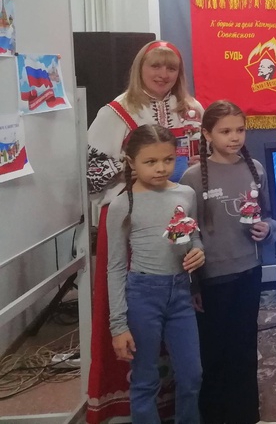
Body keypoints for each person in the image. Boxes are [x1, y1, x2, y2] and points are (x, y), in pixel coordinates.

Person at [86, 40, 203, 424]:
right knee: (141, 343)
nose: (163, 74)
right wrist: (141, 185)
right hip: (132, 222)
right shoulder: (115, 112)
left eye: (171, 68)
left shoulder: (193, 109)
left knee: (188, 349)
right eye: (156, 65)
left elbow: (200, 165)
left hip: (180, 216)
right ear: (140, 67)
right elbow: (94, 177)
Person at [180, 101, 276, 424]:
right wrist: (193, 284)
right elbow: (188, 234)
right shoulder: (193, 178)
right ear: (207, 134)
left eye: (240, 130)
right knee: (213, 353)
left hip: (249, 274)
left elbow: (270, 216)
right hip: (212, 280)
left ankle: (246, 415)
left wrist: (268, 229)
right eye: (225, 131)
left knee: (244, 347)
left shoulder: (255, 169)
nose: (234, 137)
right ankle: (213, 416)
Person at [106, 125, 205, 424]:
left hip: (180, 293)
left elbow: (192, 236)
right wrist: (118, 325)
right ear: (131, 161)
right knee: (145, 378)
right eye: (150, 162)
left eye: (168, 159)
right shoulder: (121, 205)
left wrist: (198, 251)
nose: (161, 168)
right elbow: (115, 266)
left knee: (192, 375)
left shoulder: (185, 194)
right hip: (143, 295)